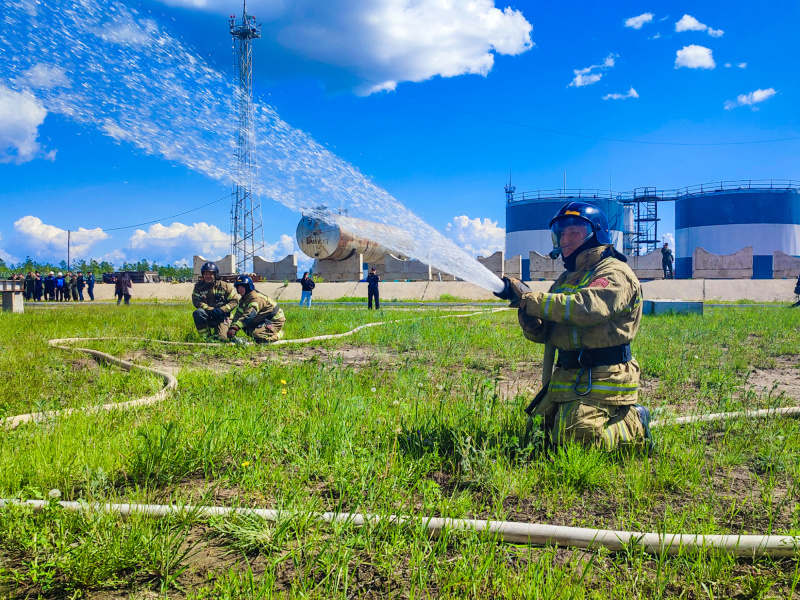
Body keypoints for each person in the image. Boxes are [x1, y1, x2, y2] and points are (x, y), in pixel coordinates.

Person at [496, 201, 651, 452]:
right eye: (562, 234)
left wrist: (530, 299)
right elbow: (552, 322)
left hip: (603, 376)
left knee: (576, 441)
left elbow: (586, 308)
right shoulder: (566, 279)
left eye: (574, 233)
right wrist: (534, 325)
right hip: (568, 376)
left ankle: (636, 424)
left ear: (596, 234)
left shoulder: (614, 272)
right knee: (536, 434)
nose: (566, 240)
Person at [228, 275, 286, 344]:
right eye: (238, 287)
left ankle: (279, 334)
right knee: (246, 328)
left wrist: (235, 328)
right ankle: (262, 332)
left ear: (248, 287)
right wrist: (231, 328)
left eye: (242, 287)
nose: (240, 289)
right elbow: (238, 316)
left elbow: (249, 314)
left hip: (274, 319)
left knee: (258, 335)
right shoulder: (243, 300)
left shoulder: (255, 298)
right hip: (262, 319)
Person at [191, 262, 239, 339]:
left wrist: (222, 310)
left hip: (222, 316)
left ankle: (222, 333)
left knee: (223, 338)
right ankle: (205, 337)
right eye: (206, 274)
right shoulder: (198, 287)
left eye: (210, 274)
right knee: (198, 313)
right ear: (203, 274)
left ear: (215, 275)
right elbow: (196, 301)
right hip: (208, 315)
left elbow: (234, 301)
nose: (208, 276)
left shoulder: (225, 286)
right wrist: (210, 309)